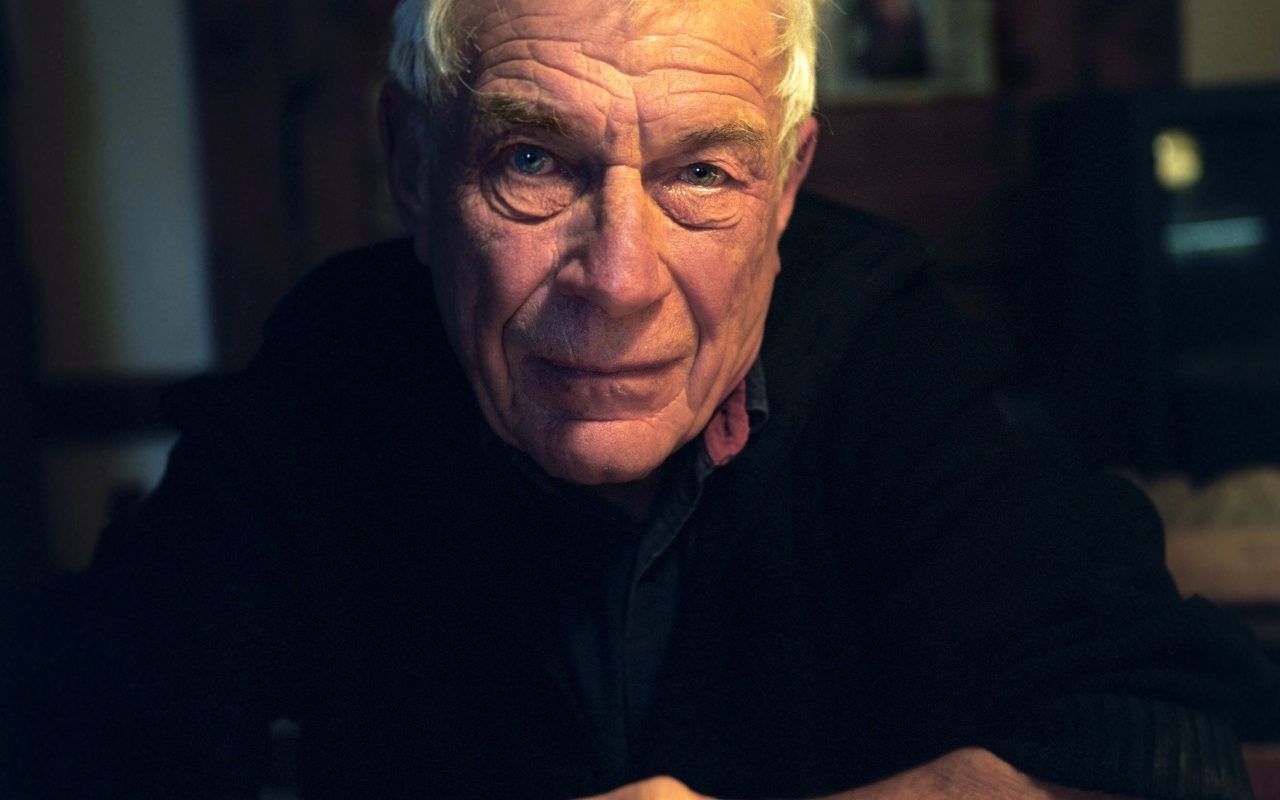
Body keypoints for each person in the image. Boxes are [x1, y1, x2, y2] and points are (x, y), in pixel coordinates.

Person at [19, 0, 1278, 797]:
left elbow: (1162, 737)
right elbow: (81, 733)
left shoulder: (884, 353)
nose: (618, 280)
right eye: (530, 160)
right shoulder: (328, 376)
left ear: (784, 186)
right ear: (412, 161)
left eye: (701, 174)